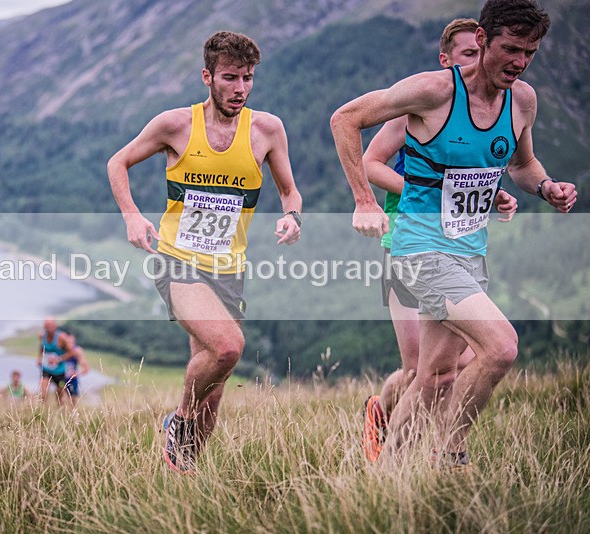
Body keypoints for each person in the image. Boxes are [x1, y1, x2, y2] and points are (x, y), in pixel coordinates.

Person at [331, 0, 576, 468]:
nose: (519, 62)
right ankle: (451, 454)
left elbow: (522, 165)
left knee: (437, 376)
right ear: (482, 40)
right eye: (510, 48)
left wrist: (546, 187)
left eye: (530, 53)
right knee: (501, 347)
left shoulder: (522, 100)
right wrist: (364, 201)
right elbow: (345, 119)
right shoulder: (433, 92)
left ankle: (386, 475)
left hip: (469, 252)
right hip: (419, 249)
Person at [107, 31, 302, 473]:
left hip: (228, 270)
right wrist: (131, 215)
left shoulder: (267, 130)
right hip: (176, 260)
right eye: (230, 78)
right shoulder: (175, 125)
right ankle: (177, 420)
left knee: (213, 392)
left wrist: (293, 218)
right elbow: (117, 162)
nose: (240, 89)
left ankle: (184, 472)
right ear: (207, 76)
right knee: (229, 347)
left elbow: (291, 192)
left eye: (248, 79)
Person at [360, 18, 519, 463]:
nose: (477, 64)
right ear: (446, 60)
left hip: (455, 247)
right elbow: (369, 162)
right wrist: (417, 191)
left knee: (448, 367)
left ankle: (403, 447)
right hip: (404, 241)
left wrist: (494, 195)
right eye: (467, 55)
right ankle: (387, 420)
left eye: (478, 53)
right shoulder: (425, 105)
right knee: (418, 367)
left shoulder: (492, 112)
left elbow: (484, 176)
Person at [37, 317, 77, 405]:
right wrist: (39, 358)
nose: (49, 328)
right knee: (43, 390)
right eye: (47, 326)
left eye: (51, 325)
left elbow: (71, 352)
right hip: (46, 368)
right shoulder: (41, 336)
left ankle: (60, 410)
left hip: (59, 371)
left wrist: (58, 359)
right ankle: (42, 411)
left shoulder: (62, 337)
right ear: (44, 326)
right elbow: (41, 347)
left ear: (55, 326)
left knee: (59, 393)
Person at [56, 332, 90, 407]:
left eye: (72, 342)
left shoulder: (77, 352)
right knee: (61, 397)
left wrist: (76, 373)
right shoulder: (61, 351)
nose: (70, 344)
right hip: (62, 378)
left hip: (73, 380)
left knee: (72, 402)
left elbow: (86, 369)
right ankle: (60, 413)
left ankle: (71, 416)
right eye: (68, 342)